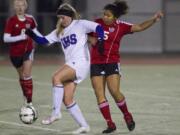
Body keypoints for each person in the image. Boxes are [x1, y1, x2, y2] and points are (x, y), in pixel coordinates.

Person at [25, 3, 104, 134]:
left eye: (63, 17)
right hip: (72, 64)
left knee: (56, 77)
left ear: (70, 16)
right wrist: (31, 33)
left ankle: (55, 113)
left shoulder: (80, 24)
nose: (61, 20)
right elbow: (43, 41)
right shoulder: (59, 32)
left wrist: (100, 40)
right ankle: (84, 126)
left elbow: (99, 27)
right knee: (67, 99)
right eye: (59, 18)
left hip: (80, 62)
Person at [89, 0, 163, 134]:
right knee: (99, 94)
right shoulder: (95, 23)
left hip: (112, 62)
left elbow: (139, 27)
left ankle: (127, 115)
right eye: (104, 14)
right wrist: (90, 39)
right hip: (96, 63)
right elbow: (82, 32)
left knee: (114, 92)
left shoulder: (121, 26)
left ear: (115, 18)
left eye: (108, 15)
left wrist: (154, 19)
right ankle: (110, 124)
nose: (105, 17)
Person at [3, 0, 41, 106]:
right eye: (17, 5)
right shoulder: (11, 20)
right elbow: (6, 38)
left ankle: (29, 102)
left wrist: (44, 39)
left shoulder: (30, 19)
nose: (20, 8)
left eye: (22, 5)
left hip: (28, 50)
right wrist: (20, 37)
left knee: (26, 75)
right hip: (15, 54)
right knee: (22, 77)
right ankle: (25, 94)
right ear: (14, 7)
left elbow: (35, 31)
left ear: (25, 6)